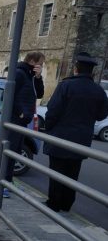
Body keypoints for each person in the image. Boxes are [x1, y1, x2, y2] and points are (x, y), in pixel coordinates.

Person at [43, 52, 108, 212]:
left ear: (76, 69)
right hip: (81, 139)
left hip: (60, 137)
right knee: (72, 173)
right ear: (92, 72)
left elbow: (52, 111)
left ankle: (54, 204)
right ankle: (66, 205)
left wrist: (49, 128)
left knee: (57, 172)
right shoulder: (98, 91)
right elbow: (102, 115)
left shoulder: (65, 86)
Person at [4, 52, 45, 198]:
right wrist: (20, 112)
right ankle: (3, 185)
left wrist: (39, 77)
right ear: (33, 62)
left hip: (22, 121)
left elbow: (40, 94)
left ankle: (7, 181)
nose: (42, 66)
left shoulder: (30, 76)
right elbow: (7, 96)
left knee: (14, 152)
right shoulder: (20, 73)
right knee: (9, 153)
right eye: (41, 63)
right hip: (15, 120)